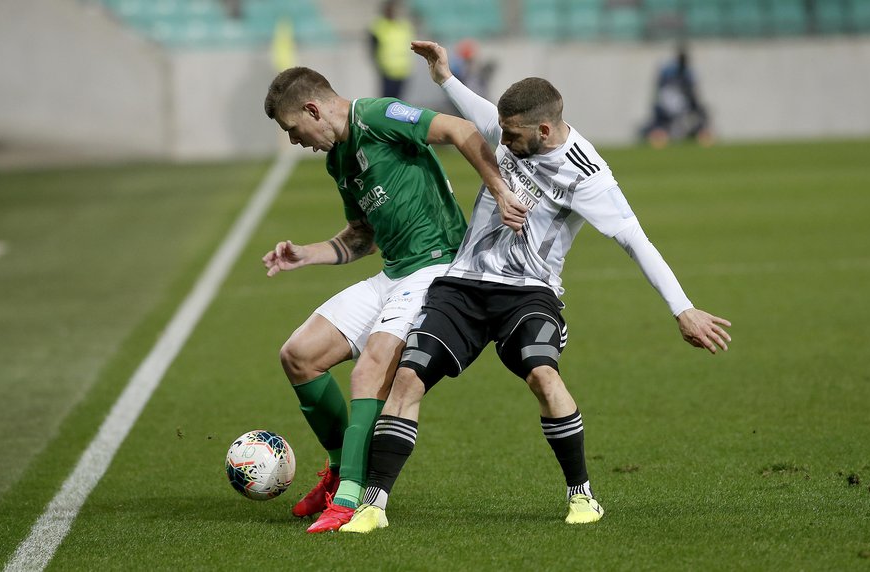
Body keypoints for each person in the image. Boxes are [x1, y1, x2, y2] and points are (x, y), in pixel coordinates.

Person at [340, 41, 732, 533]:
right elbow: (479, 112)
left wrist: (683, 309)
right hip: (462, 285)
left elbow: (636, 241)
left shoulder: (587, 175)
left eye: (511, 133)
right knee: (408, 378)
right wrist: (443, 77)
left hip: (528, 293)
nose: (501, 141)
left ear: (543, 130)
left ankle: (582, 495)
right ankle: (373, 505)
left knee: (542, 374)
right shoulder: (510, 131)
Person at [261, 66, 516, 533]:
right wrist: (306, 254)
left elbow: (460, 129)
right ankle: (340, 473)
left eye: (293, 129)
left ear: (313, 110)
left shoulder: (379, 116)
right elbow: (361, 237)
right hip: (395, 272)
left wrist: (499, 189)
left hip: (437, 267)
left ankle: (352, 500)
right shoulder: (337, 160)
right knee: (298, 355)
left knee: (370, 368)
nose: (296, 141)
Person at [639, 44, 713, 148]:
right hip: (672, 107)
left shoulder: (684, 72)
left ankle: (694, 134)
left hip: (677, 106)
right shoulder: (674, 72)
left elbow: (690, 92)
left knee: (698, 117)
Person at [369, 0, 415, 98]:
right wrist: (379, 66)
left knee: (400, 102)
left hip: (403, 70)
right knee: (387, 101)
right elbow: (372, 48)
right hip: (387, 71)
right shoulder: (378, 26)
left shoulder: (404, 26)